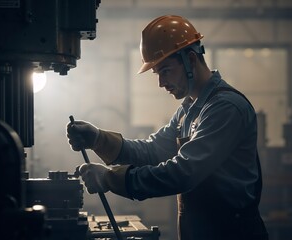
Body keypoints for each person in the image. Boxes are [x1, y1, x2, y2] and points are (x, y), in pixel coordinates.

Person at [66, 15, 268, 240]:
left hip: (232, 233)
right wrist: (99, 139)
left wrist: (109, 178)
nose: (161, 83)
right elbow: (153, 151)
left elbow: (183, 173)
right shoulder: (189, 110)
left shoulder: (225, 108)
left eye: (165, 71)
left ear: (191, 60)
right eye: (157, 73)